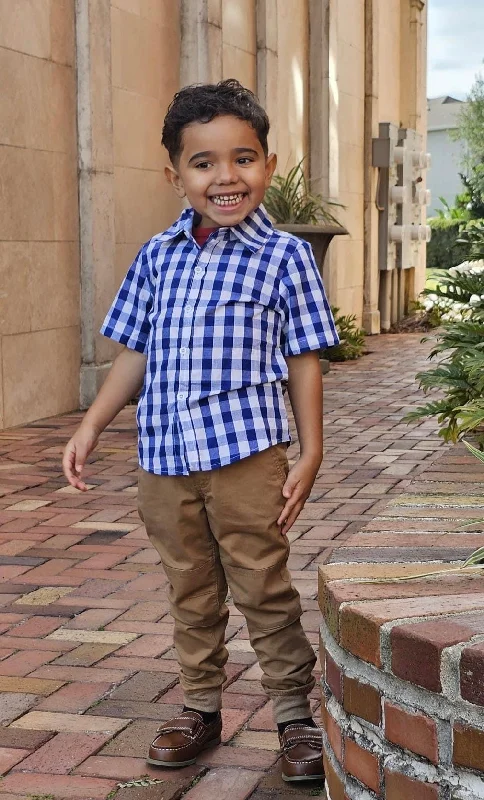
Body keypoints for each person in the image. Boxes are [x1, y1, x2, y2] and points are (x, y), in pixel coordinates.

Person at [63, 79, 338, 783]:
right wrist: (93, 424)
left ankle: (292, 716)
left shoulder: (284, 257)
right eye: (204, 162)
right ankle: (200, 707)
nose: (226, 177)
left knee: (262, 585)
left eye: (243, 159)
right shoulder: (158, 256)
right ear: (175, 173)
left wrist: (311, 449)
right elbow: (136, 351)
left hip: (247, 452)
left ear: (268, 166)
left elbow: (303, 359)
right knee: (189, 585)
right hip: (163, 456)